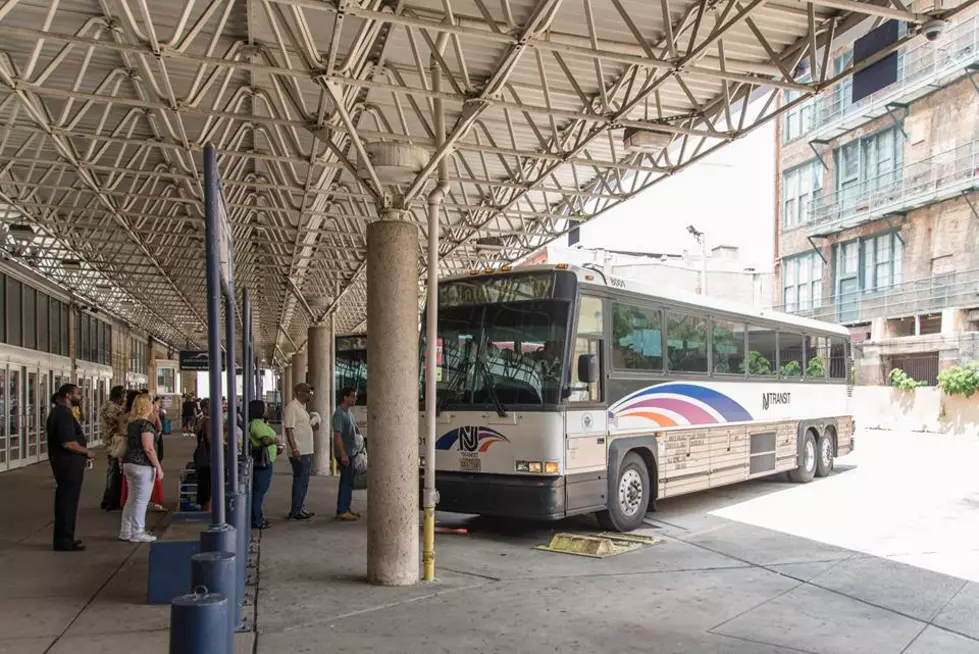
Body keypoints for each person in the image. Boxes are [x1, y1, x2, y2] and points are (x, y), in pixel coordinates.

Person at [47, 384, 95, 551]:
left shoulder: (60, 413)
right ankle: (64, 541)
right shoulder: (63, 415)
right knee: (68, 502)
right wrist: (87, 452)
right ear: (67, 395)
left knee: (66, 501)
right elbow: (68, 443)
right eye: (78, 394)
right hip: (68, 464)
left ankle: (65, 537)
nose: (80, 397)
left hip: (66, 464)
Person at [119, 394, 163, 543]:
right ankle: (138, 531)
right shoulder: (145, 425)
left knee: (131, 498)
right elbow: (149, 448)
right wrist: (158, 467)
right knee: (141, 500)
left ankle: (126, 530)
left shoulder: (132, 423)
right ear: (147, 406)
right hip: (142, 465)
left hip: (129, 463)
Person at [283, 382, 318, 520]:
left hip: (306, 450)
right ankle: (296, 510)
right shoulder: (292, 407)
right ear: (299, 393)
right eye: (308, 392)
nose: (311, 395)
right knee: (300, 480)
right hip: (300, 451)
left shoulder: (302, 408)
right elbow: (289, 429)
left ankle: (300, 507)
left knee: (303, 481)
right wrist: (295, 448)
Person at [248, 400, 281, 529]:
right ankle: (256, 520)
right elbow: (265, 440)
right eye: (265, 407)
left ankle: (258, 517)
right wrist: (275, 440)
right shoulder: (257, 424)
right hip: (263, 463)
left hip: (265, 461)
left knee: (259, 491)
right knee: (259, 492)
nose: (267, 410)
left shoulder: (257, 423)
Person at [332, 387, 360, 521]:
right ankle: (342, 510)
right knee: (345, 481)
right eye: (353, 396)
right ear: (345, 397)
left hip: (351, 452)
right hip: (346, 453)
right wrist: (343, 453)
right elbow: (337, 435)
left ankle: (346, 508)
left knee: (349, 481)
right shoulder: (339, 414)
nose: (355, 399)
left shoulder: (348, 412)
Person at [99, 385, 125, 511]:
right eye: (123, 397)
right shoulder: (112, 408)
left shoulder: (106, 405)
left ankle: (109, 498)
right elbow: (120, 420)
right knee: (113, 472)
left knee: (113, 471)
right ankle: (110, 500)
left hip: (111, 442)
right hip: (114, 443)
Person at [193, 398, 212, 512]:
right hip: (208, 458)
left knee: (204, 487)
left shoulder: (201, 419)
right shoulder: (208, 421)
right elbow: (210, 440)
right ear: (205, 408)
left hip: (201, 458)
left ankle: (205, 510)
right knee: (210, 488)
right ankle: (208, 512)